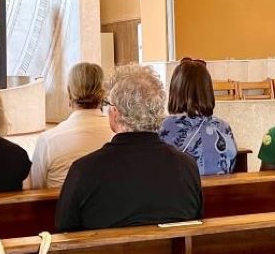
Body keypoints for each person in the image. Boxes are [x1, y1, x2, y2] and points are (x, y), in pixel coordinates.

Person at [55, 64, 202, 232]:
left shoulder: (84, 171)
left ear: (116, 113)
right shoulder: (187, 167)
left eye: (108, 105)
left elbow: (64, 232)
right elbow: (196, 219)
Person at [29, 62, 114, 189]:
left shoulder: (48, 141)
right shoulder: (117, 135)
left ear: (69, 93)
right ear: (103, 94)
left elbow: (36, 190)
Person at [159, 58, 238, 176]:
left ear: (175, 91)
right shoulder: (223, 127)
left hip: (182, 193)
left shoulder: (163, 127)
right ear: (207, 90)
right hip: (220, 193)